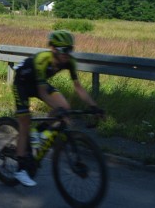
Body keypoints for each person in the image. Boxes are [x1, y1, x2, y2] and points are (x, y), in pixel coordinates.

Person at [11, 30, 103, 187]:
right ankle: (20, 169)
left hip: (38, 83)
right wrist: (57, 109)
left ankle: (39, 132)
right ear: (53, 48)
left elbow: (78, 87)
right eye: (64, 50)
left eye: (70, 50)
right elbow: (42, 93)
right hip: (22, 84)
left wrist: (94, 106)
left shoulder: (69, 62)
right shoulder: (42, 59)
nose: (67, 54)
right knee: (25, 121)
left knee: (65, 106)